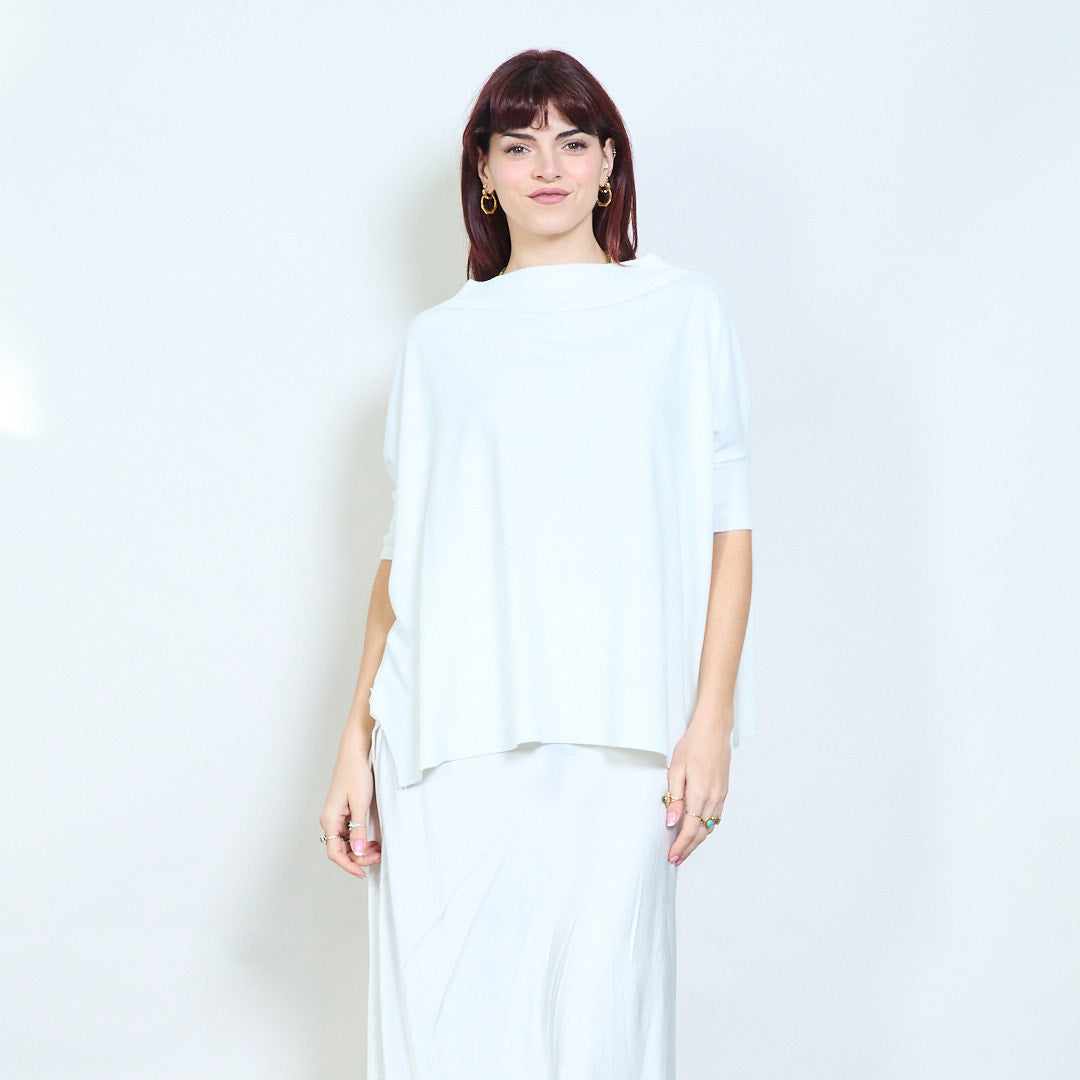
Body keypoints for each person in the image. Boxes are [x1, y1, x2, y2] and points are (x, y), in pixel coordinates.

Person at [320, 47, 755, 1080]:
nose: (547, 166)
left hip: (622, 736)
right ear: (484, 171)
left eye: (572, 141)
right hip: (445, 746)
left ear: (609, 164)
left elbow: (728, 531)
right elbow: (404, 560)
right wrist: (353, 742)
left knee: (603, 1043)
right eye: (518, 145)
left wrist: (711, 723)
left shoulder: (682, 313)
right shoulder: (440, 342)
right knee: (450, 1050)